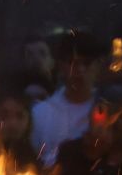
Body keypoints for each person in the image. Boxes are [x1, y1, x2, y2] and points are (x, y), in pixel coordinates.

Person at [29, 30, 101, 166]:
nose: (80, 69)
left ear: (98, 66)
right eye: (72, 62)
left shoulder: (109, 110)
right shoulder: (40, 113)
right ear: (61, 66)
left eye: (87, 63)